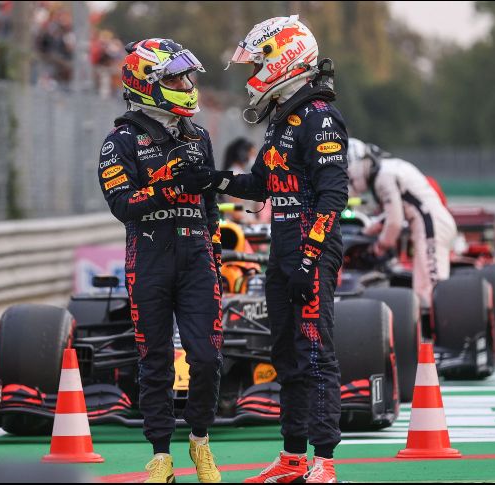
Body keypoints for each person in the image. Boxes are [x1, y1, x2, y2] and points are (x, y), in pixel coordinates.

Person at [175, 15, 347, 483]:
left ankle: (325, 462)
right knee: (286, 355)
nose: (252, 73)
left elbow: (334, 196)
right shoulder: (282, 119)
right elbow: (263, 186)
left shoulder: (319, 117)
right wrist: (212, 180)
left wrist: (309, 259)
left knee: (316, 353)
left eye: (259, 61)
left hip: (312, 251)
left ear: (286, 58)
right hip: (284, 250)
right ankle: (293, 458)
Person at [98, 38, 223, 483]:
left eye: (187, 76)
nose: (187, 85)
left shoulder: (199, 136)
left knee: (206, 357)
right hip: (148, 256)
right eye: (175, 78)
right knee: (154, 359)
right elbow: (122, 204)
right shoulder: (120, 141)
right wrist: (166, 188)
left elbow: (210, 203)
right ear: (148, 84)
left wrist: (215, 246)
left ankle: (201, 441)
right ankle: (160, 455)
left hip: (196, 258)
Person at [346, 138, 457, 309]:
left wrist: (378, 247)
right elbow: (392, 214)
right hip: (432, 225)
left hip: (431, 228)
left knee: (429, 290)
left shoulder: (385, 176)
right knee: (425, 287)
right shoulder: (389, 169)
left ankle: (437, 331)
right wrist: (368, 231)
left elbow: (394, 223)